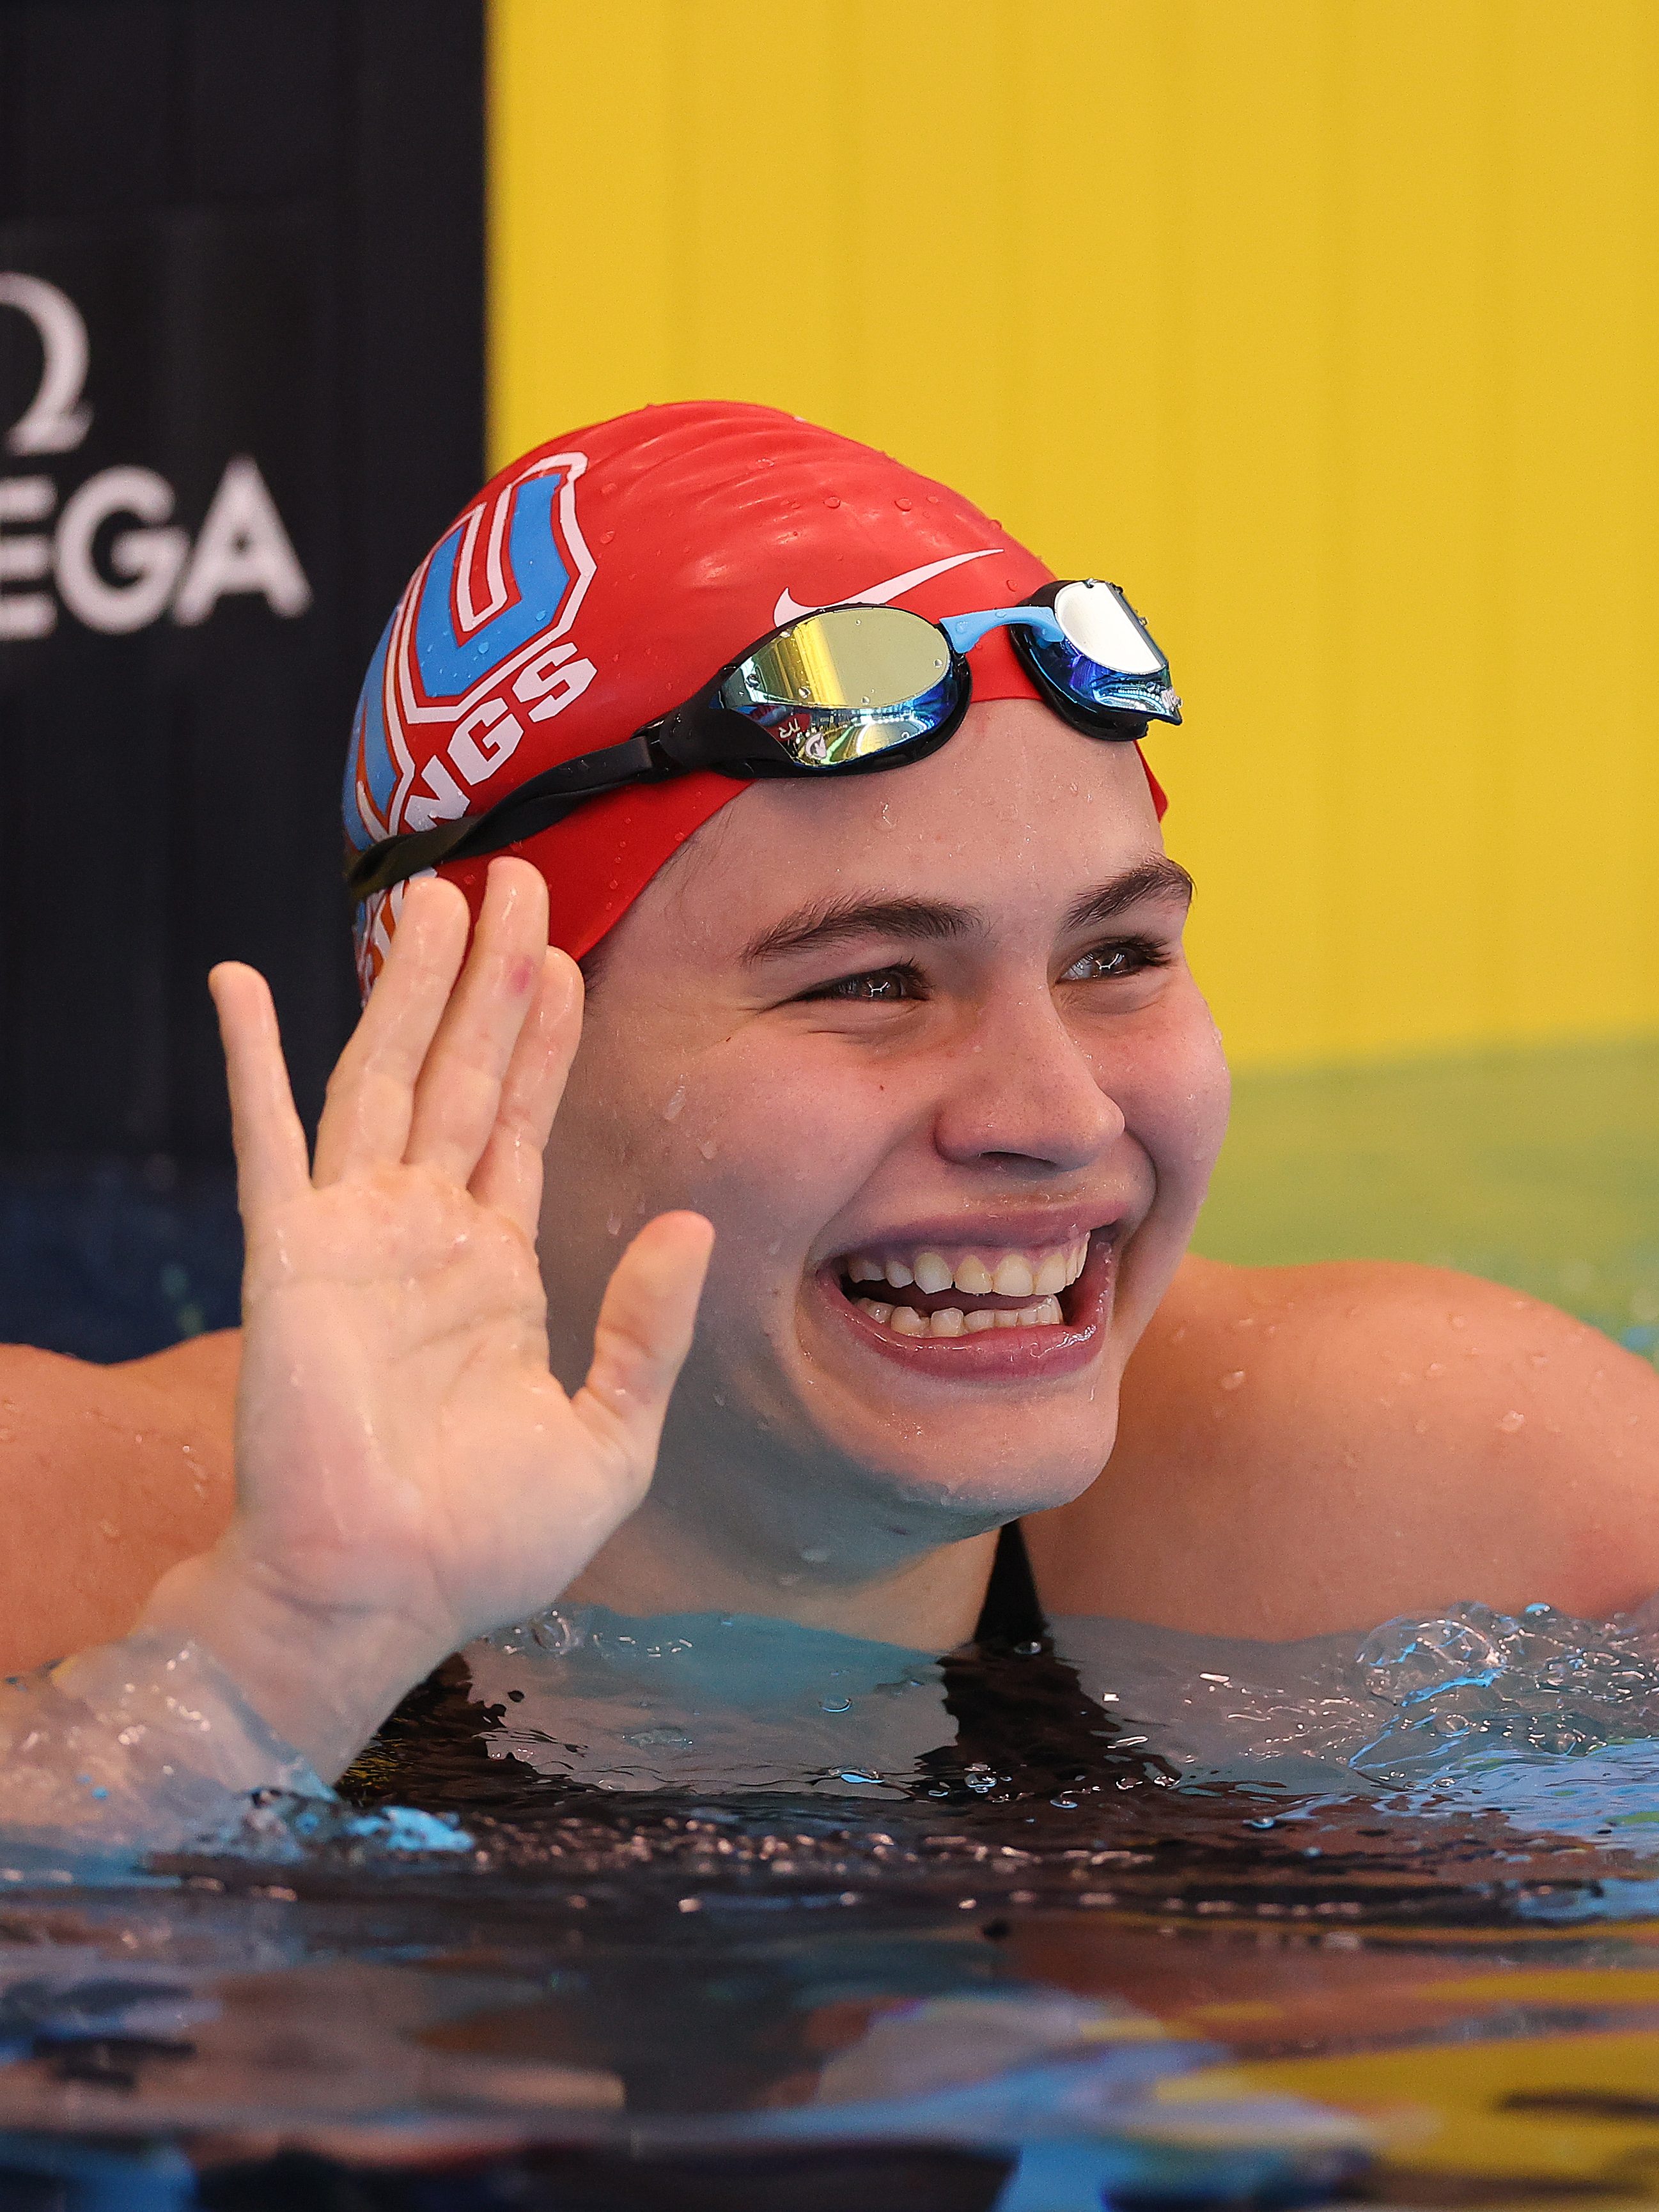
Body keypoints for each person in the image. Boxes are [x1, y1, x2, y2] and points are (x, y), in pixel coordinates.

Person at [3, 401, 1656, 1805]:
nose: (1057, 1113)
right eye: (868, 980)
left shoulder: (1428, 1500)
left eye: (1118, 954)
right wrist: (266, 1667)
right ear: (480, 1038)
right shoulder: (69, 1544)